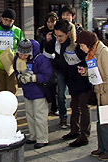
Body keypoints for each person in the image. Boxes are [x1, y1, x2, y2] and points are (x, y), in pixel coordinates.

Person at [45, 20, 92, 146]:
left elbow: (88, 59)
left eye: (61, 36)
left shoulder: (79, 44)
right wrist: (49, 41)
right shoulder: (60, 44)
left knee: (83, 107)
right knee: (74, 106)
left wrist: (86, 71)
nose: (58, 38)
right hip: (71, 79)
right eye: (56, 35)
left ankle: (84, 135)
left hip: (83, 80)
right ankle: (74, 130)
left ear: (69, 33)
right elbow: (55, 57)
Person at [13, 39, 53, 149]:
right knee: (30, 115)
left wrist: (34, 78)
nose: (22, 56)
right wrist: (19, 77)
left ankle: (42, 138)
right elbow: (16, 70)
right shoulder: (17, 59)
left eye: (25, 54)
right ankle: (33, 136)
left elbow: (47, 74)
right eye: (20, 53)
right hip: (27, 92)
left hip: (39, 92)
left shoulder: (41, 59)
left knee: (40, 116)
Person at [76, 30, 108, 160]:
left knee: (105, 124)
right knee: (100, 123)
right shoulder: (91, 54)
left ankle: (106, 150)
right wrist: (86, 71)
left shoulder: (104, 52)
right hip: (99, 92)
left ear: (88, 44)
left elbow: (106, 74)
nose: (81, 48)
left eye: (82, 45)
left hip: (105, 93)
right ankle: (102, 147)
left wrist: (99, 81)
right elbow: (95, 71)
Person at [0, 9, 25, 95]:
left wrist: (17, 55)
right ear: (2, 18)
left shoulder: (18, 31)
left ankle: (13, 108)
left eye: (10, 21)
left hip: (12, 65)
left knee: (12, 91)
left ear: (13, 21)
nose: (7, 22)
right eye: (6, 19)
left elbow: (22, 46)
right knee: (1, 91)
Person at [36, 12, 59, 116]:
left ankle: (55, 107)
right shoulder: (41, 31)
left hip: (56, 61)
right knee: (47, 85)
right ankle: (48, 106)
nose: (50, 24)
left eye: (52, 21)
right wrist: (46, 39)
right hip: (45, 61)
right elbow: (38, 47)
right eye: (48, 22)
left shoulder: (59, 31)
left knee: (56, 86)